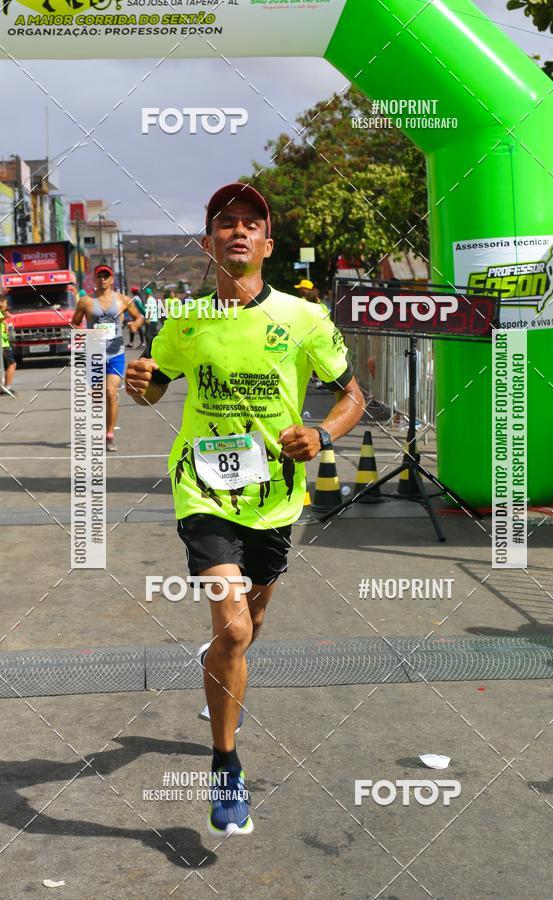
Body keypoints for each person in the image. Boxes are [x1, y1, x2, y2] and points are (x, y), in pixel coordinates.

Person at [125, 182, 364, 836]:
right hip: (203, 489)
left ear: (267, 243)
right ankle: (226, 765)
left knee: (249, 623)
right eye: (225, 223)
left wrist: (322, 435)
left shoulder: (304, 318)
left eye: (249, 223)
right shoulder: (186, 320)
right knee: (232, 630)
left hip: (275, 498)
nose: (237, 230)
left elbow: (353, 396)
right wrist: (140, 386)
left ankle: (220, 666)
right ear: (209, 243)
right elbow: (154, 388)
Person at [72, 264, 144, 451]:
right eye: (100, 276)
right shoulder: (85, 302)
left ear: (112, 279)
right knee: (97, 397)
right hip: (94, 355)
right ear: (95, 279)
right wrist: (85, 334)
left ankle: (109, 435)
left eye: (106, 276)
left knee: (111, 392)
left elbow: (139, 317)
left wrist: (135, 325)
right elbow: (74, 324)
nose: (103, 279)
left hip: (115, 354)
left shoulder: (122, 300)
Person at [0, 294, 17, 398]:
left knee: (5, 366)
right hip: (3, 345)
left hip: (4, 343)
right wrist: (5, 317)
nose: (6, 305)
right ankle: (7, 387)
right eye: (5, 303)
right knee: (12, 364)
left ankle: (5, 387)